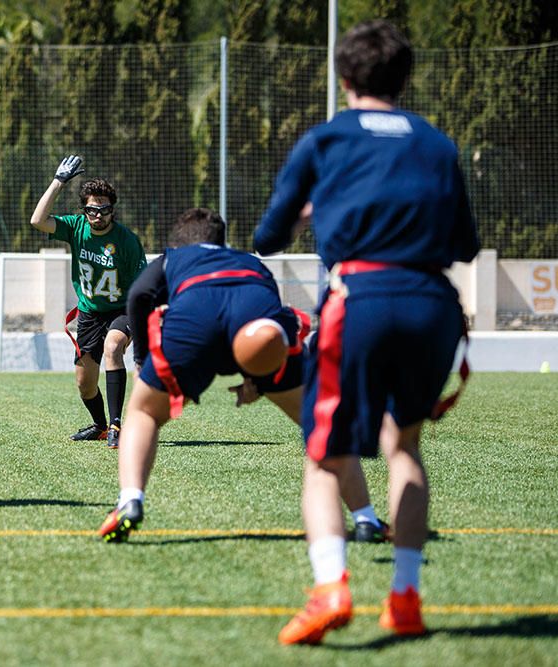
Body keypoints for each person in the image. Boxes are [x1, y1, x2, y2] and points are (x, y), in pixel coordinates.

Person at [253, 20, 480, 644]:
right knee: (404, 447)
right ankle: (405, 598)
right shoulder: (437, 144)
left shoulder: (327, 140)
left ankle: (331, 588)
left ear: (343, 77)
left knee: (326, 456)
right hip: (432, 302)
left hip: (361, 297)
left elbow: (268, 236)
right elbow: (465, 244)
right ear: (405, 78)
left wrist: (308, 213)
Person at [98, 208, 388, 545]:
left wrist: (144, 359)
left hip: (194, 320)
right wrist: (257, 380)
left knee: (144, 413)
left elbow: (139, 296)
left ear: (176, 243)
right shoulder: (250, 262)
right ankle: (366, 518)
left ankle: (130, 500)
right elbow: (272, 316)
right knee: (324, 423)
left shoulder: (172, 258)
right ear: (221, 243)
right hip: (257, 324)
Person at [30, 155, 148, 448]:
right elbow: (37, 220)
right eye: (92, 209)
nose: (98, 215)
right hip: (90, 313)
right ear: (84, 210)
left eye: (104, 209)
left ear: (112, 209)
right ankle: (99, 425)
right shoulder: (75, 228)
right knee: (85, 385)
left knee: (113, 349)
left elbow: (144, 286)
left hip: (123, 309)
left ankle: (117, 425)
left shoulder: (127, 241)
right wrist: (59, 181)